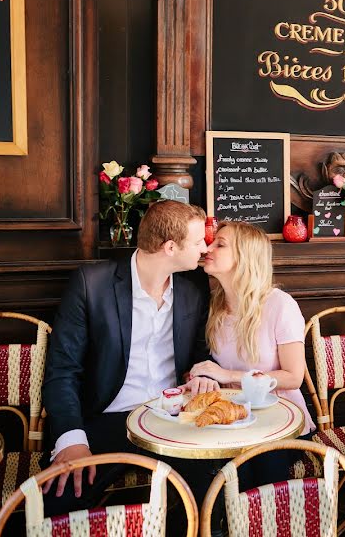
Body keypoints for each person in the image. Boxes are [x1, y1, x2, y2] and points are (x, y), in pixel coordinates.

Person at [41, 200, 219, 520]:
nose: (205, 248)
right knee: (56, 504)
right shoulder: (91, 284)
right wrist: (71, 439)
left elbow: (199, 356)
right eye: (197, 242)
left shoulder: (194, 287)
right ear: (169, 247)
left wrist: (201, 375)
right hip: (105, 420)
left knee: (214, 494)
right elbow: (62, 371)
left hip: (171, 420)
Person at [188, 221, 316, 486]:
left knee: (255, 473)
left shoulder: (280, 305)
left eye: (219, 244)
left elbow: (293, 377)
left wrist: (226, 375)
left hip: (281, 422)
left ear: (245, 257)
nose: (207, 248)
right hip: (232, 421)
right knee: (216, 475)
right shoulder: (211, 306)